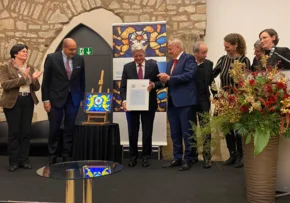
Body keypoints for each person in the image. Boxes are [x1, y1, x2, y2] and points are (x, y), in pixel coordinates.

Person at [42, 38, 85, 165]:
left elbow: (82, 79)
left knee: (69, 127)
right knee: (54, 127)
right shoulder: (52, 58)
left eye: (75, 49)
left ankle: (67, 154)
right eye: (71, 49)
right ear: (64, 48)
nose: (73, 51)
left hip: (73, 98)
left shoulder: (79, 59)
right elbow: (46, 82)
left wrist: (81, 97)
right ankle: (53, 154)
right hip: (55, 98)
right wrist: (46, 100)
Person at [0, 44, 42, 172]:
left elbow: (36, 87)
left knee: (25, 132)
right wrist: (24, 79)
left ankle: (24, 160)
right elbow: (5, 84)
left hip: (27, 100)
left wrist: (33, 79)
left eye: (26, 51)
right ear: (15, 54)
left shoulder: (30, 67)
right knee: (14, 133)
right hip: (13, 102)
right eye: (23, 51)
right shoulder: (6, 67)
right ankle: (14, 162)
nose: (26, 53)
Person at [120, 43, 162, 167]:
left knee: (147, 131)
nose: (138, 58)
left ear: (144, 54)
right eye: (136, 56)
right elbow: (122, 87)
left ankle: (146, 156)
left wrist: (153, 85)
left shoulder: (153, 66)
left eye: (140, 55)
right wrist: (124, 101)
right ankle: (133, 157)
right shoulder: (127, 67)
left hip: (149, 105)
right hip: (132, 105)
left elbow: (159, 82)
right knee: (132, 131)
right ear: (132, 55)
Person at [159, 38, 198, 171]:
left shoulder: (189, 59)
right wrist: (161, 82)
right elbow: (169, 82)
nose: (169, 51)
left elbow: (189, 75)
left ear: (178, 48)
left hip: (185, 102)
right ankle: (177, 158)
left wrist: (169, 78)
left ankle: (188, 159)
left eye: (170, 48)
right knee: (175, 132)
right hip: (172, 103)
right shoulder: (170, 63)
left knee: (187, 132)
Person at [213, 33, 251, 168]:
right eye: (224, 46)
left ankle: (241, 155)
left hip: (237, 99)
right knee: (227, 128)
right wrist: (216, 94)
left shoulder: (244, 60)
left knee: (237, 129)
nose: (225, 49)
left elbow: (246, 81)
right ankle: (232, 154)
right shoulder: (222, 60)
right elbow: (211, 75)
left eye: (227, 46)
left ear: (236, 45)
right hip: (224, 99)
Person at [192, 41, 217, 169]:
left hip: (203, 100)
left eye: (206, 52)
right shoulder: (188, 63)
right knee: (191, 128)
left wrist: (216, 95)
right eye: (203, 52)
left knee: (205, 129)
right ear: (196, 53)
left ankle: (207, 157)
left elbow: (211, 81)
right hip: (190, 100)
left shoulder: (209, 64)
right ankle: (192, 156)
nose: (206, 55)